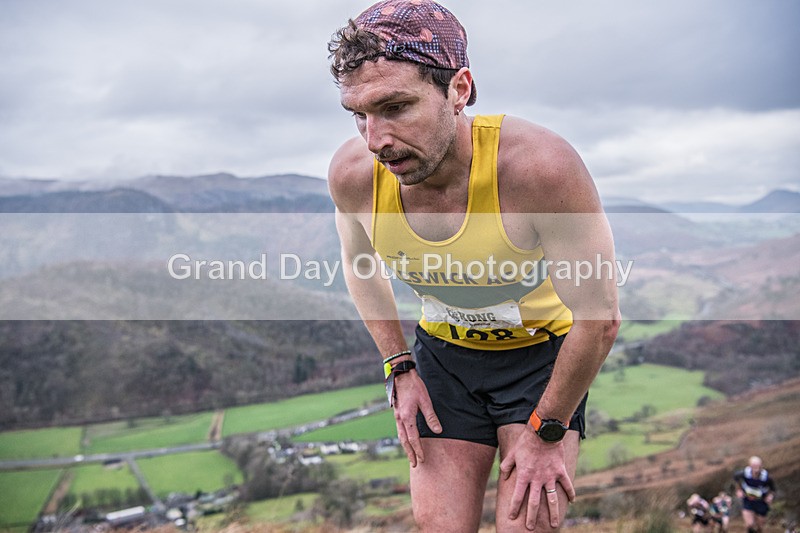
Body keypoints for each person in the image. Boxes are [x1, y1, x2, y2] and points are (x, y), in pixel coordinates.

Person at [327, 1, 620, 530]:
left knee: (528, 524)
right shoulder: (354, 176)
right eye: (359, 114)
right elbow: (359, 264)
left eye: (396, 107)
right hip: (443, 361)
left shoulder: (538, 170)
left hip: (542, 362)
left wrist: (549, 430)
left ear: (459, 89)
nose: (375, 140)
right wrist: (399, 366)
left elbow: (598, 318)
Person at [734, 456, 776, 533]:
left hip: (761, 501)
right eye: (753, 466)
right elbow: (736, 480)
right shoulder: (743, 473)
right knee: (750, 525)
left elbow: (773, 489)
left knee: (760, 527)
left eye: (758, 466)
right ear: (750, 466)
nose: (756, 468)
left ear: (761, 466)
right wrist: (738, 490)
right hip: (748, 500)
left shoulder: (766, 477)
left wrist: (770, 496)